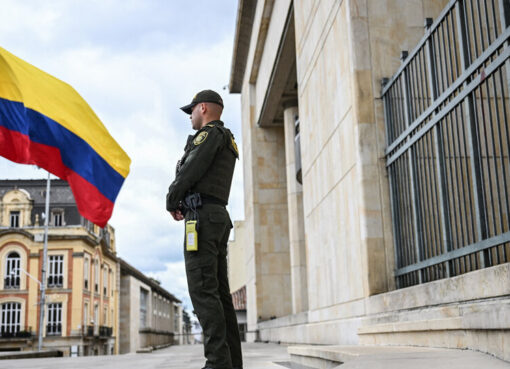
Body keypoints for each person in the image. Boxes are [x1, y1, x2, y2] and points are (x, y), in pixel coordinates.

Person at [166, 90, 243, 369]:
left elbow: (191, 169)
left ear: (203, 109)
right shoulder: (227, 138)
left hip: (201, 220)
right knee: (219, 296)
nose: (190, 117)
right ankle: (230, 363)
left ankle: (217, 364)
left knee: (203, 292)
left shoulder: (210, 135)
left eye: (192, 112)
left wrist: (172, 199)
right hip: (216, 217)